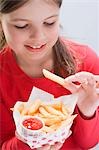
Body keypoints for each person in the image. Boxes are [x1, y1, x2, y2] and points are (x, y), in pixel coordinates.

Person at [0, 0, 99, 150]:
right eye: (22, 26)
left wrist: (88, 111)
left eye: (49, 23)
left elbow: (89, 143)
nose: (38, 37)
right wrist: (26, 142)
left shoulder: (87, 64)